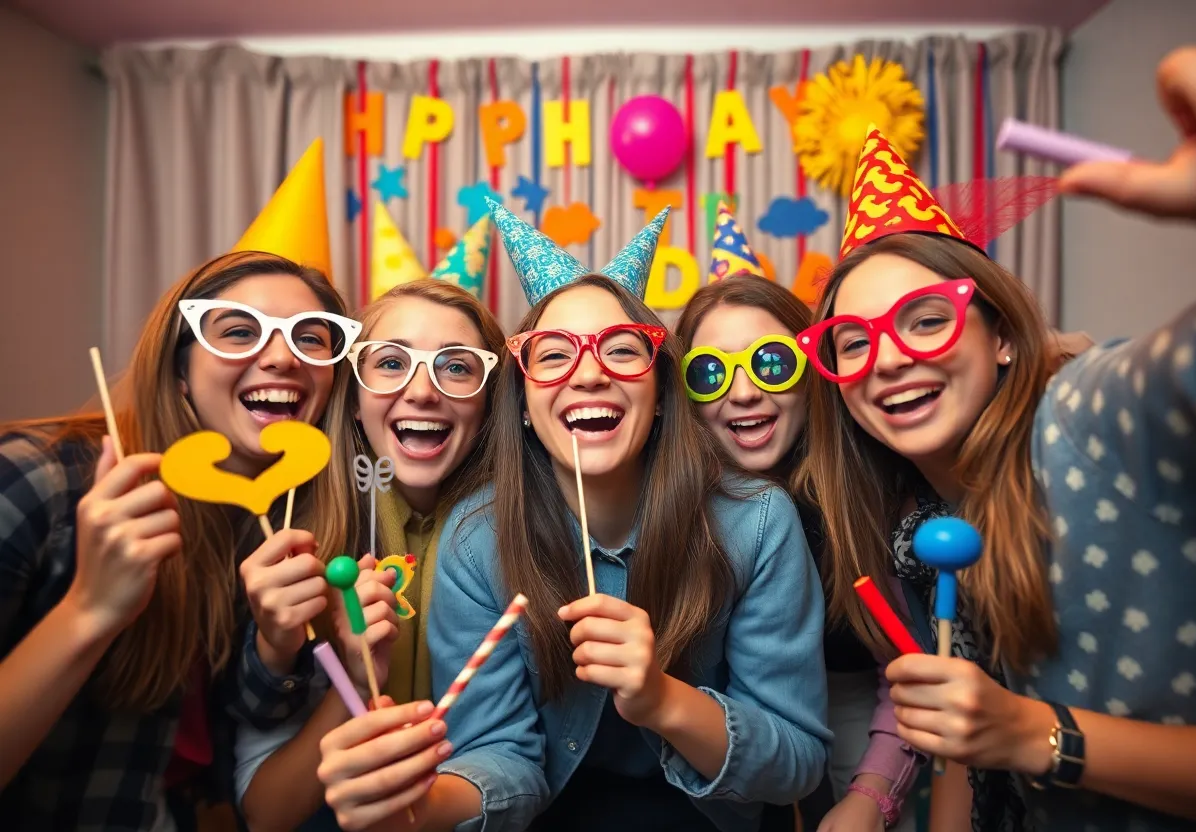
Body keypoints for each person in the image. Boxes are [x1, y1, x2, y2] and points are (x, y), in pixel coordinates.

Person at [794, 41, 1196, 832]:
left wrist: (1033, 733)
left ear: (1004, 337)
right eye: (852, 340)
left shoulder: (1092, 416)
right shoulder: (914, 527)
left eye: (927, 321)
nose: (887, 358)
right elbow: (966, 759)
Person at [315, 201, 832, 831]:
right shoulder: (478, 541)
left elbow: (798, 762)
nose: (588, 374)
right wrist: (422, 808)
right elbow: (497, 753)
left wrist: (664, 698)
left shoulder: (755, 522)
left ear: (662, 392)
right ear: (526, 401)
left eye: (619, 350)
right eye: (555, 355)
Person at [0, 248, 361, 829]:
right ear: (180, 373)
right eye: (239, 332)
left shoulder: (294, 520)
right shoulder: (38, 481)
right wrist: (89, 610)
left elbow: (241, 719)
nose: (280, 357)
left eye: (311, 338)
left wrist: (276, 644)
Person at [675, 202, 922, 832]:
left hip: (863, 728)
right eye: (710, 373)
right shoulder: (670, 504)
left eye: (771, 362)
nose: (744, 392)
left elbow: (910, 674)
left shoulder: (870, 493)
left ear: (813, 369)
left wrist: (871, 796)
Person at [236, 276, 506, 832]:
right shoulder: (290, 542)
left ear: (489, 404)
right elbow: (265, 814)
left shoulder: (521, 542)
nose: (423, 391)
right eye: (390, 363)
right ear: (354, 400)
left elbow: (528, 763)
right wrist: (355, 683)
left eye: (456, 367)